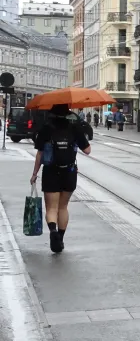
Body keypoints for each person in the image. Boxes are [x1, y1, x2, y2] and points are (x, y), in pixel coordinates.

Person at [30, 104, 91, 253]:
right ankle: (61, 239)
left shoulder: (46, 128)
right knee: (63, 207)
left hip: (50, 171)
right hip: (69, 171)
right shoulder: (75, 128)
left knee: (51, 208)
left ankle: (53, 232)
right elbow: (88, 150)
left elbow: (40, 154)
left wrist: (34, 174)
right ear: (67, 113)